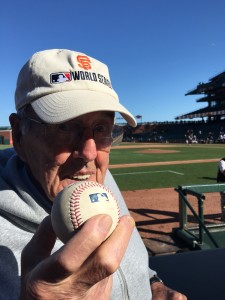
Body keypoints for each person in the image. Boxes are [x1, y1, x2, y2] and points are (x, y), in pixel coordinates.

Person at [0, 49, 186, 299]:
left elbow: (130, 262)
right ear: (20, 135)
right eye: (64, 126)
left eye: (102, 128)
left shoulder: (98, 182)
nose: (89, 153)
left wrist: (153, 284)